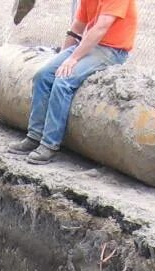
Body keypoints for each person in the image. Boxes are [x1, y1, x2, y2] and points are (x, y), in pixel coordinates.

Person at [7, 0, 138, 165]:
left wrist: (73, 59)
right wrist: (61, 57)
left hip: (111, 50)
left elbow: (101, 28)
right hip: (90, 44)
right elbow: (77, 27)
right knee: (43, 75)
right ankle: (34, 135)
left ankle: (49, 144)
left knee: (64, 81)